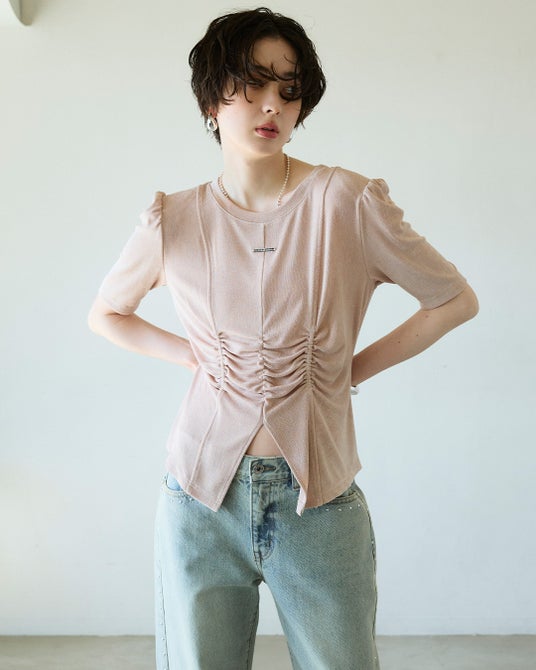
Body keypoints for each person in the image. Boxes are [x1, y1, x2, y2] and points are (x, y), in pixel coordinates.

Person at [88, 7, 478, 670]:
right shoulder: (173, 219)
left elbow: (452, 299)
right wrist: (193, 356)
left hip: (318, 501)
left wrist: (348, 369)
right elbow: (107, 314)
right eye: (253, 83)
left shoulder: (346, 202)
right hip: (199, 497)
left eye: (289, 89)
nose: (273, 104)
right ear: (211, 99)